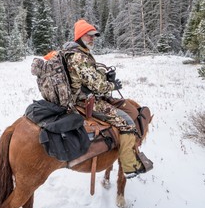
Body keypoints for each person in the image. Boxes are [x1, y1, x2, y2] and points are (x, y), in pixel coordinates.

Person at [63, 19, 150, 179]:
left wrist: (104, 76)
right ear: (80, 36)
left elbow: (89, 77)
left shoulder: (78, 54)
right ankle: (130, 166)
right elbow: (97, 86)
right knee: (127, 123)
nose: (92, 39)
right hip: (85, 101)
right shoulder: (78, 57)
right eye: (89, 36)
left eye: (94, 36)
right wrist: (111, 85)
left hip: (85, 96)